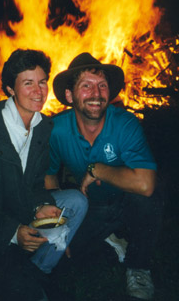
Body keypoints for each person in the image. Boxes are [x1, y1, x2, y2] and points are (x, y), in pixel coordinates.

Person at [0, 49, 88, 301]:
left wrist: (40, 206)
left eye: (42, 82)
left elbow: (32, 183)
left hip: (18, 212)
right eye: (28, 83)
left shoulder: (42, 127)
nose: (38, 91)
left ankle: (37, 268)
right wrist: (12, 232)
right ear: (10, 89)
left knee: (76, 202)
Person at [45, 52, 164, 300]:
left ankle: (138, 266)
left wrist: (97, 169)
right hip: (90, 206)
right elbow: (48, 178)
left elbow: (145, 183)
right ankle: (110, 238)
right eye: (86, 86)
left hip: (127, 201)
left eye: (101, 86)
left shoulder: (125, 123)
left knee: (148, 199)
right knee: (69, 254)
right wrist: (57, 228)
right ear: (69, 96)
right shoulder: (56, 130)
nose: (96, 94)